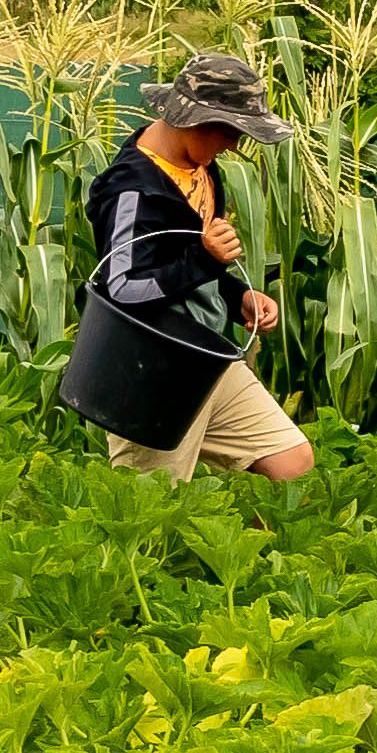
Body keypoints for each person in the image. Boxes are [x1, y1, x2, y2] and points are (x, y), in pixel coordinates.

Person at [85, 52, 319, 487]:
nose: (233, 145)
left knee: (291, 460)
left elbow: (191, 276)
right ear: (192, 119)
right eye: (230, 131)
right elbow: (122, 290)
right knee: (150, 512)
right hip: (149, 369)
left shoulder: (203, 170)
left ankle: (246, 553)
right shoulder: (130, 189)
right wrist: (204, 259)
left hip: (205, 357)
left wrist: (238, 298)